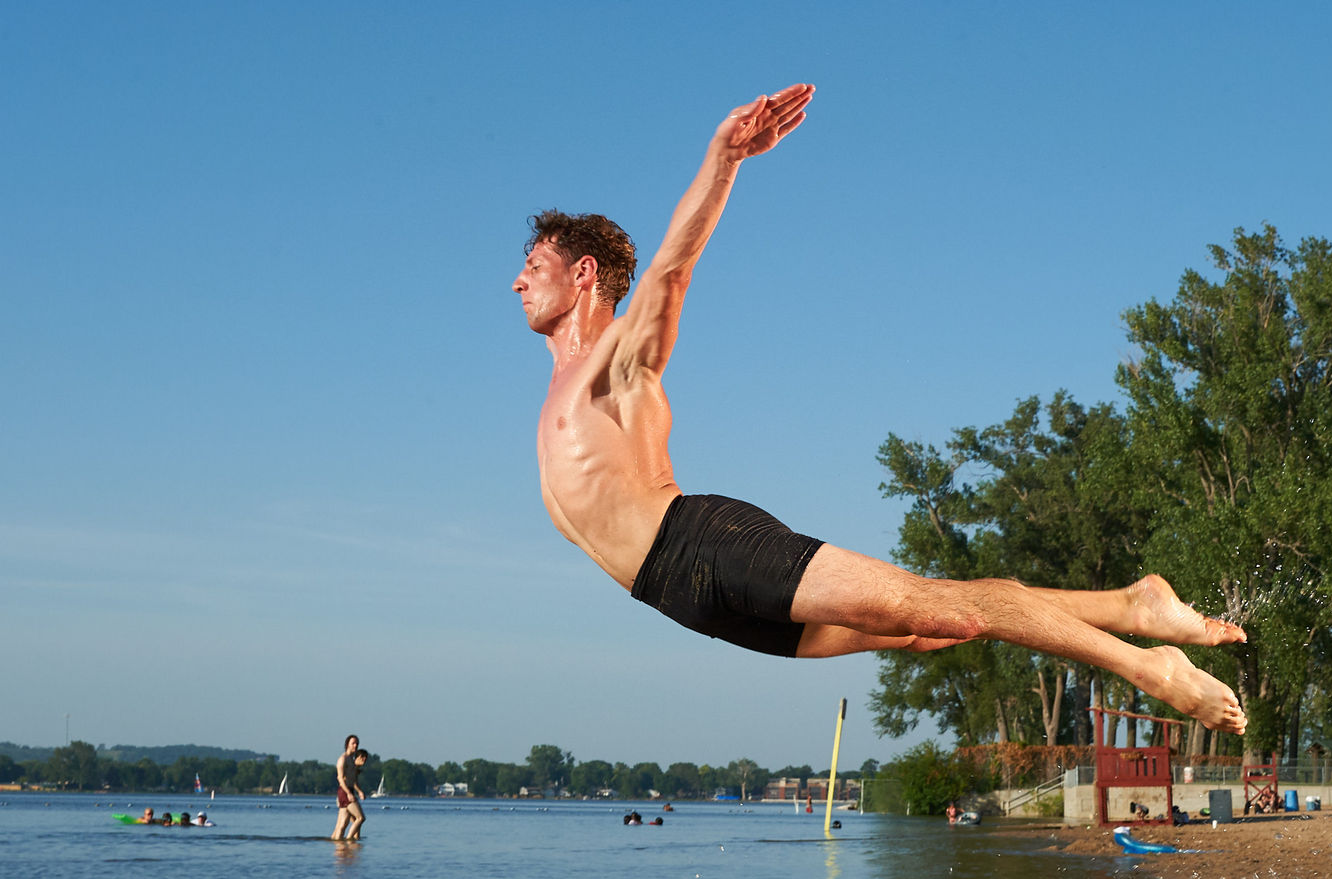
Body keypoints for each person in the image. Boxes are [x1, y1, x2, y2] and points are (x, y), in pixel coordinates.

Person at [515, 84, 1248, 735]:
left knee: (940, 608)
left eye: (534, 267)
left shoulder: (614, 364)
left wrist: (724, 160)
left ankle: (1151, 667)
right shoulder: (557, 392)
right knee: (927, 629)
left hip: (704, 547)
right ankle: (1131, 606)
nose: (517, 283)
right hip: (677, 597)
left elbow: (671, 271)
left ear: (583, 274)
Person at [331, 736, 366, 842]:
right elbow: (340, 778)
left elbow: (353, 780)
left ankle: (337, 843)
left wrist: (359, 791)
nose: (355, 745)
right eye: (353, 743)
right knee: (360, 818)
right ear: (347, 745)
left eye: (357, 744)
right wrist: (348, 793)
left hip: (349, 790)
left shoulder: (351, 760)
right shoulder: (343, 759)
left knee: (342, 824)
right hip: (344, 791)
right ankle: (349, 839)